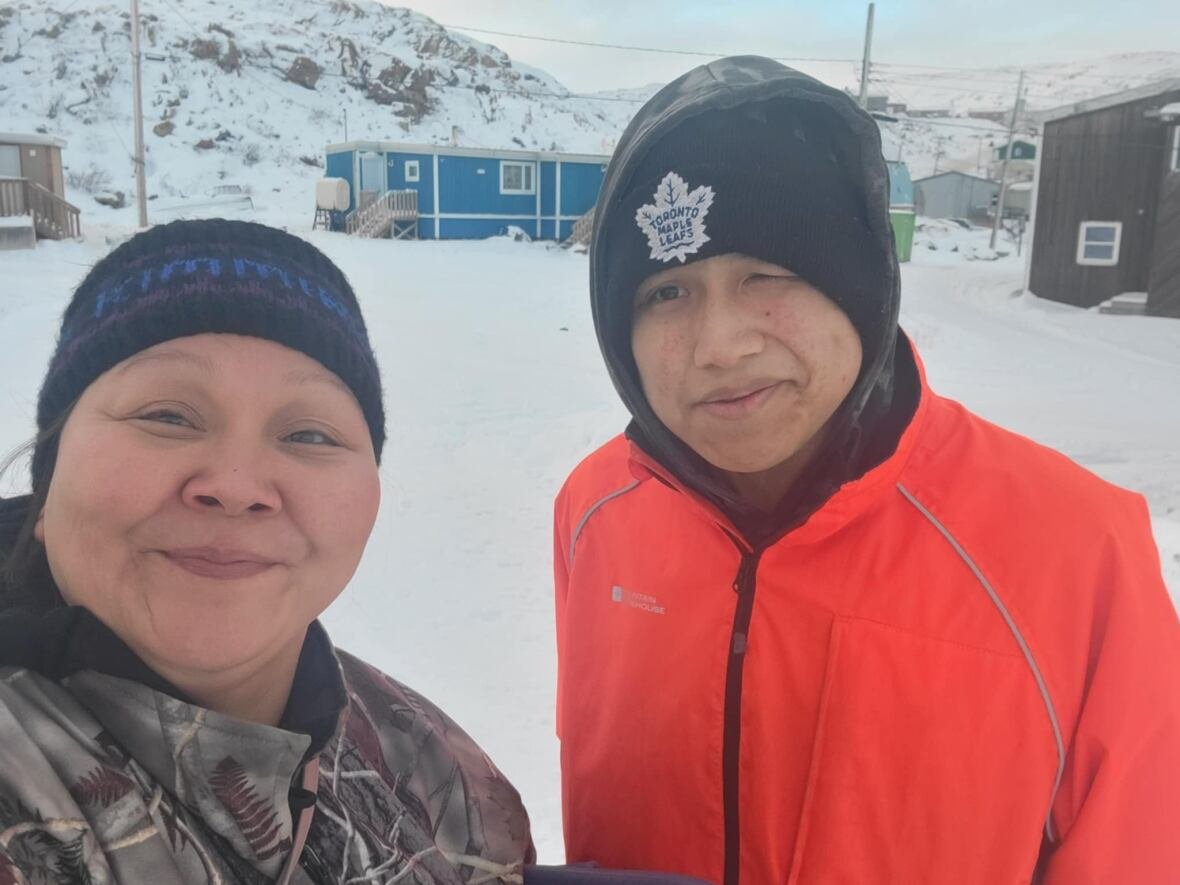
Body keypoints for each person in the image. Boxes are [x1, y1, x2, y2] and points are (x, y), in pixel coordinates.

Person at [553, 56, 1180, 884]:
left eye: (766, 275)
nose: (719, 346)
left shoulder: (1075, 550)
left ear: (857, 284)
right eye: (666, 293)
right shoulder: (597, 508)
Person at [0, 219, 534, 884]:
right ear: (47, 485)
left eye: (309, 433)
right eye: (167, 416)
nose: (236, 486)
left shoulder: (423, 757)